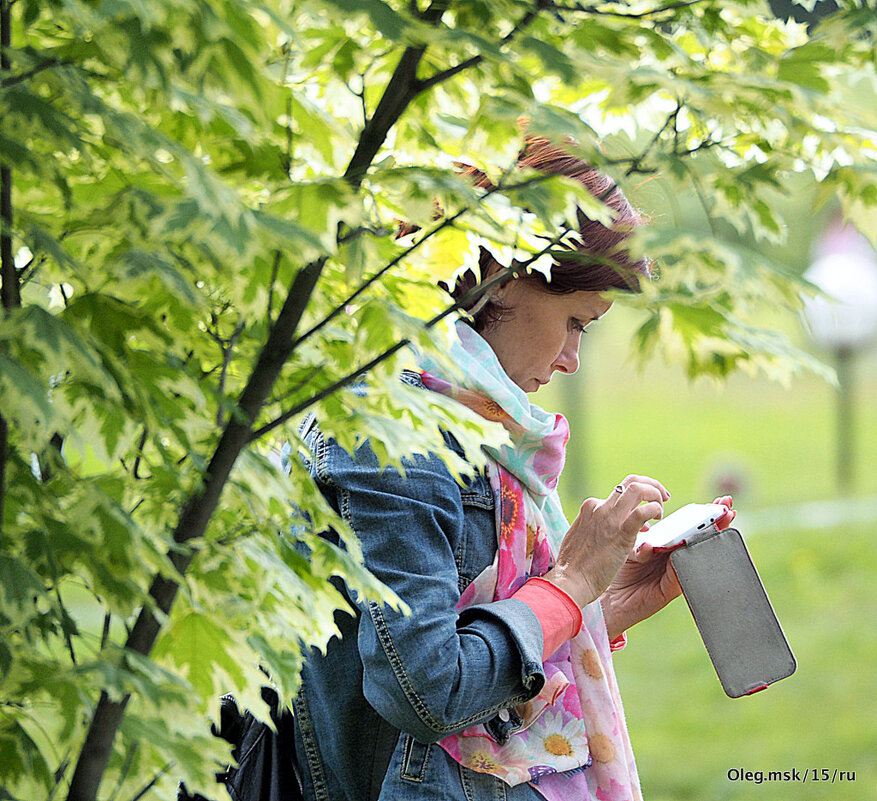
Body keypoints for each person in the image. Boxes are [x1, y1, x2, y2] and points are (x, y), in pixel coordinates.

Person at [290, 137, 734, 801]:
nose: (570, 359)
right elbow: (427, 689)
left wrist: (600, 602)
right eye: (575, 321)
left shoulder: (473, 425)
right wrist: (573, 576)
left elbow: (468, 651)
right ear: (503, 276)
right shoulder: (394, 436)